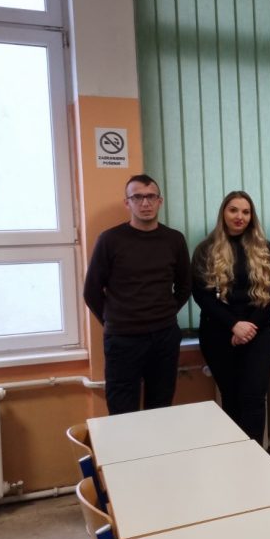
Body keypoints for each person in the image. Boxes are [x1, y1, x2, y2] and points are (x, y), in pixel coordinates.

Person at [83, 174, 192, 415]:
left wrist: (164, 312)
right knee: (122, 412)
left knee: (160, 408)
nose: (145, 203)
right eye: (137, 197)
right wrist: (113, 320)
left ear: (160, 201)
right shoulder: (110, 240)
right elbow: (91, 292)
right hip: (123, 339)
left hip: (164, 337)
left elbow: (185, 286)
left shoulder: (174, 239)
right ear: (127, 203)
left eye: (151, 197)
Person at [192, 191, 270, 442]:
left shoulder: (264, 248)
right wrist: (233, 325)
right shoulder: (205, 249)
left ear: (252, 216)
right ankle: (235, 457)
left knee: (254, 399)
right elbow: (202, 295)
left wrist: (249, 327)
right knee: (231, 399)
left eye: (245, 212)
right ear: (223, 213)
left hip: (258, 332)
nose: (239, 216)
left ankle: (255, 460)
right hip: (218, 334)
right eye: (233, 210)